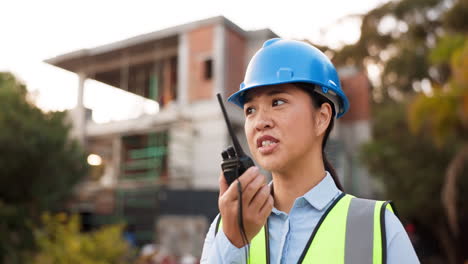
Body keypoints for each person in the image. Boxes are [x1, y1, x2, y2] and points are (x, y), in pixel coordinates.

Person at [200, 38, 419, 263]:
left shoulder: (378, 227)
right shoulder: (225, 227)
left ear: (321, 118)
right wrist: (233, 243)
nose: (259, 122)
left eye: (277, 102)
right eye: (250, 110)